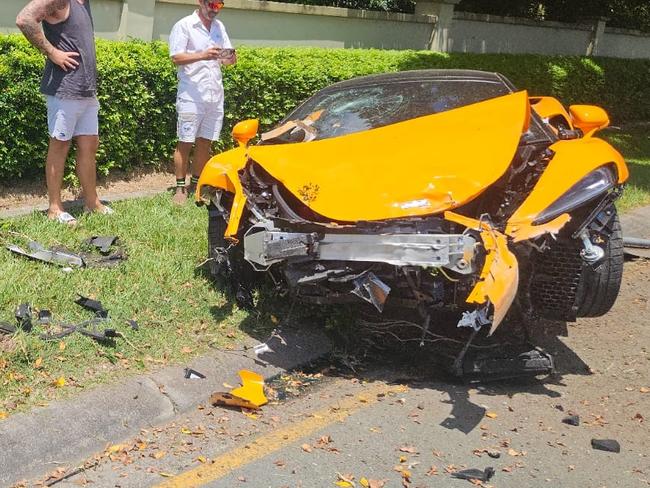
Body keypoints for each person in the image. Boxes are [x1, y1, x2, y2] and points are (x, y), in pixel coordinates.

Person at [16, 0, 112, 225]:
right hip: (64, 90)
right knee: (59, 146)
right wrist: (52, 52)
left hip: (86, 90)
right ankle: (55, 208)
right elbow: (24, 19)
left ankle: (92, 202)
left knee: (90, 146)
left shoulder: (84, 3)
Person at [168, 0, 236, 204]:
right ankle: (180, 188)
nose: (214, 9)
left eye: (219, 5)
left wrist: (230, 58)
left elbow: (226, 59)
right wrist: (202, 55)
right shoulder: (184, 25)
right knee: (185, 141)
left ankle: (197, 184)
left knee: (205, 142)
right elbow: (175, 57)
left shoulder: (219, 27)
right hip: (192, 94)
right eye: (211, 4)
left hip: (214, 94)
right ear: (200, 2)